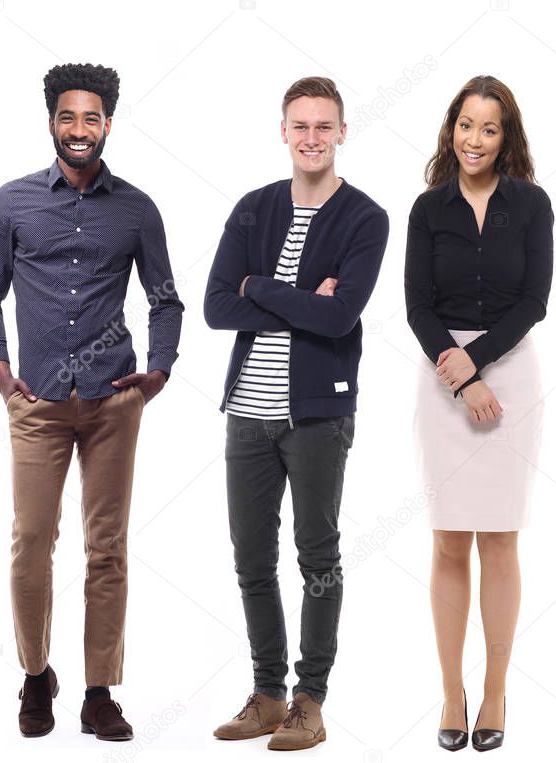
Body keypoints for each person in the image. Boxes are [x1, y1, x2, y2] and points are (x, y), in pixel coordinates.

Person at [0, 62, 183, 742]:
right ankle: (36, 675)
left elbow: (165, 298)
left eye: (91, 117)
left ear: (108, 124)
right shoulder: (11, 203)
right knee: (32, 540)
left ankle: (98, 690)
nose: (79, 129)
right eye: (68, 116)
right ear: (51, 122)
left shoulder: (137, 209)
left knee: (107, 546)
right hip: (36, 403)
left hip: (110, 402)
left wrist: (155, 374)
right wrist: (2, 373)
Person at [204, 76, 388, 751]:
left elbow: (340, 315)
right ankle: (266, 694)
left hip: (316, 413)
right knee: (251, 557)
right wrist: (289, 293)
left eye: (323, 126)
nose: (310, 138)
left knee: (317, 555)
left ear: (342, 131)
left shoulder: (364, 217)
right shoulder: (253, 208)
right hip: (246, 413)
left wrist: (260, 285)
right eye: (299, 126)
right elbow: (217, 305)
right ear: (282, 131)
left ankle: (310, 700)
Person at [404, 75, 551, 753]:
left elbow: (533, 300)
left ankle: (493, 688)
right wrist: (459, 377)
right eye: (466, 124)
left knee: (498, 536)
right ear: (450, 128)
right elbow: (416, 304)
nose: (474, 139)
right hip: (441, 373)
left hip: (509, 368)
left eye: (489, 128)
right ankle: (450, 690)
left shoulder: (530, 204)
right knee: (445, 538)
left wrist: (480, 362)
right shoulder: (428, 208)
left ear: (505, 136)